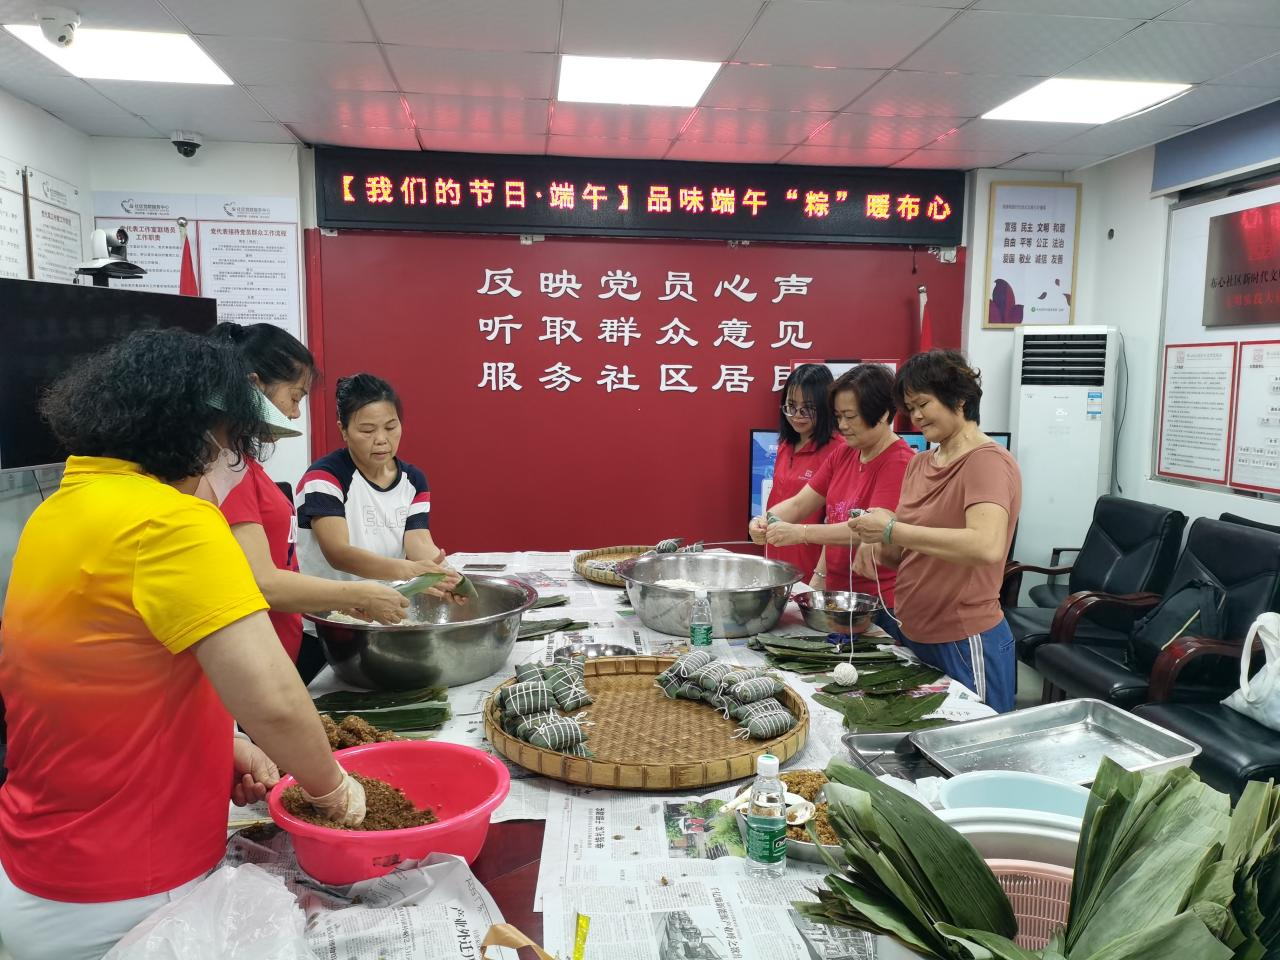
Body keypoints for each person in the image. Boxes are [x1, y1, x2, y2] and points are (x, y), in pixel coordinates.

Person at [0, 330, 366, 960]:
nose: (234, 462)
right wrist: (332, 788)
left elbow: (104, 676)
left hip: (39, 869)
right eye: (234, 443)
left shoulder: (59, 509)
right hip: (127, 886)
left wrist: (221, 745)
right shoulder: (171, 520)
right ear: (202, 432)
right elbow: (274, 701)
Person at [208, 323, 416, 668]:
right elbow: (264, 582)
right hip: (256, 656)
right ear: (253, 386)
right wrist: (359, 593)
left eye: (390, 427)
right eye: (295, 397)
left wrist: (339, 601)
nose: (295, 414)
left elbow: (282, 567)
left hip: (279, 647)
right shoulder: (222, 470)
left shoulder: (242, 466)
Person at [851, 350, 1021, 713]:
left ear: (959, 399)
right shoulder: (920, 464)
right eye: (910, 407)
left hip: (964, 638)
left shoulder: (986, 462)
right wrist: (877, 538)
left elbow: (986, 546)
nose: (915, 416)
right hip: (914, 630)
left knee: (977, 738)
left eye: (923, 404)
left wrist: (892, 529)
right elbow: (902, 554)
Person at [750, 364, 913, 635]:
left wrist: (801, 533)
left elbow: (868, 529)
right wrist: (764, 521)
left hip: (878, 604)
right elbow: (800, 503)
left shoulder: (899, 462)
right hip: (838, 596)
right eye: (838, 416)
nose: (842, 426)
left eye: (850, 416)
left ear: (884, 413)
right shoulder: (845, 453)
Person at [297, 374, 450, 583]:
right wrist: (408, 570)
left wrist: (443, 573)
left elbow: (419, 542)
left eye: (390, 427)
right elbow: (338, 553)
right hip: (332, 601)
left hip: (387, 599)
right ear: (343, 430)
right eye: (367, 430)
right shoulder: (324, 477)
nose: (381, 440)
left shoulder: (413, 480)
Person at [757, 364, 841, 581]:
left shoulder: (839, 450)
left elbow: (835, 520)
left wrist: (820, 575)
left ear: (825, 407)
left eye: (807, 408)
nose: (797, 415)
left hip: (813, 565)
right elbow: (784, 500)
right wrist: (760, 522)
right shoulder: (785, 445)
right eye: (791, 406)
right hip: (776, 555)